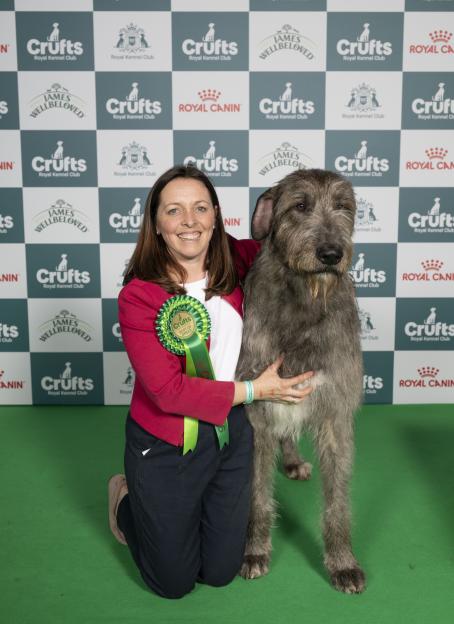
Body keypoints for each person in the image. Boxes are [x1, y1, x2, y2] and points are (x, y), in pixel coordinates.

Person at [108, 164, 314, 599]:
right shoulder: (139, 296)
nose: (189, 221)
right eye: (174, 211)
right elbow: (168, 392)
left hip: (231, 435)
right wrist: (258, 390)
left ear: (216, 216)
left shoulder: (238, 260)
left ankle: (181, 514)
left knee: (220, 571)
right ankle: (126, 500)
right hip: (165, 444)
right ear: (157, 224)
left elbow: (295, 245)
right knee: (174, 584)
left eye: (200, 208)